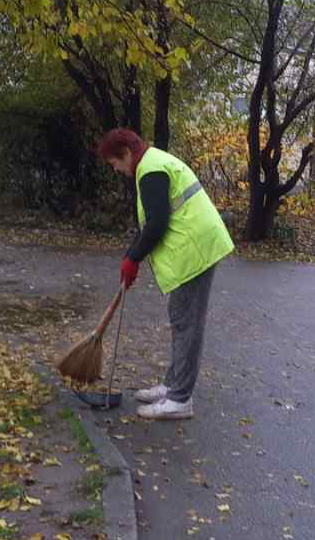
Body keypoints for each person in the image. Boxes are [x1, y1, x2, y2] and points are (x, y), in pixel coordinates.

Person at [97, 128, 234, 420]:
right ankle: (173, 385)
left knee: (187, 324)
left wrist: (134, 259)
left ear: (126, 153)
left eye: (114, 163)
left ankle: (180, 399)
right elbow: (150, 223)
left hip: (195, 249)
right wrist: (130, 257)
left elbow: (158, 224)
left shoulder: (150, 170)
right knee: (180, 318)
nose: (116, 170)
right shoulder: (151, 163)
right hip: (193, 246)